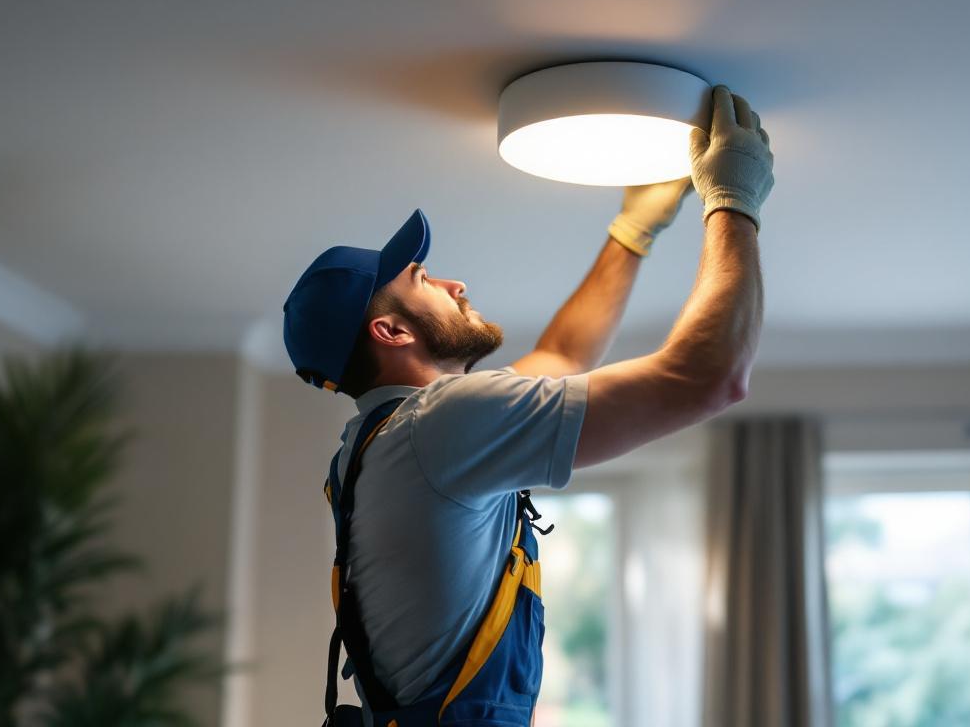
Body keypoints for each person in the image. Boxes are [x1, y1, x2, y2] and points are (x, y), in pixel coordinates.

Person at [282, 84, 772, 727]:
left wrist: (633, 231)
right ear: (392, 332)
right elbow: (710, 377)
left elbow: (564, 356)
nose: (454, 282)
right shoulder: (441, 424)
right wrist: (733, 203)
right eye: (423, 281)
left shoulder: (386, 442)